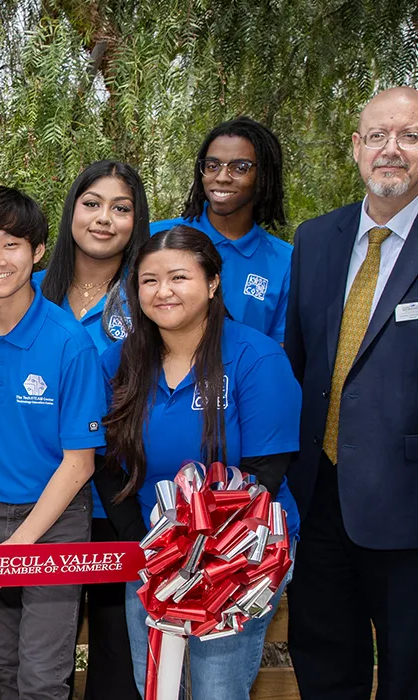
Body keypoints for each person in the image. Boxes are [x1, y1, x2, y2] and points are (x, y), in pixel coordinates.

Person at [96, 226, 301, 699]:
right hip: (151, 553)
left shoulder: (256, 357)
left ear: (212, 283)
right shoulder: (118, 362)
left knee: (215, 689)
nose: (162, 291)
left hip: (241, 551)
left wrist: (201, 561)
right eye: (148, 280)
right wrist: (147, 552)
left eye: (178, 277)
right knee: (157, 684)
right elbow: (106, 463)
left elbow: (266, 473)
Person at [0, 184, 105, 700]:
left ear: (37, 252)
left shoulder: (69, 342)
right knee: (8, 668)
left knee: (42, 679)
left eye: (10, 245)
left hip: (55, 521)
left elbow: (79, 464)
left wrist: (22, 543)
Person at [285, 85, 418, 700]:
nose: (392, 149)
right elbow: (299, 363)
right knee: (324, 668)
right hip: (320, 501)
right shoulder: (315, 239)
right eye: (378, 136)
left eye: (411, 136)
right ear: (357, 148)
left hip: (409, 509)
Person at [35, 160, 148, 700]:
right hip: (39, 503)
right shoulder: (27, 290)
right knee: (37, 659)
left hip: (117, 504)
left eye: (121, 208)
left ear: (136, 220)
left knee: (115, 657)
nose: (105, 219)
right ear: (71, 211)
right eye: (92, 204)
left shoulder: (151, 295)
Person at [151, 117, 291, 343]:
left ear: (263, 175)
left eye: (240, 168)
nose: (222, 177)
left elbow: (278, 349)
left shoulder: (285, 261)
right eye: (212, 166)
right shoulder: (156, 237)